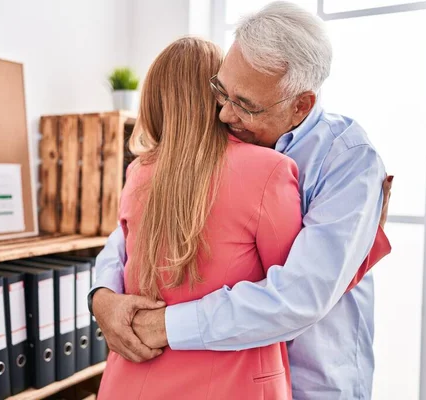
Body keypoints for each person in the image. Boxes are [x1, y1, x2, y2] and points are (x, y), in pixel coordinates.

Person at [92, 2, 393, 399]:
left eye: (245, 105)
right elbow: (128, 233)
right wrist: (102, 295)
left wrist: (165, 325)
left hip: (315, 378)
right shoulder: (205, 156)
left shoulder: (347, 159)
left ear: (301, 104)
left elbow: (300, 296)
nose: (223, 114)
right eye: (221, 92)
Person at [97, 36, 301, 399]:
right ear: (221, 94)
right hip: (231, 385)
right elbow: (297, 292)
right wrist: (366, 240)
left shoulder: (138, 172)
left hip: (130, 381)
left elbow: (119, 256)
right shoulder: (269, 170)